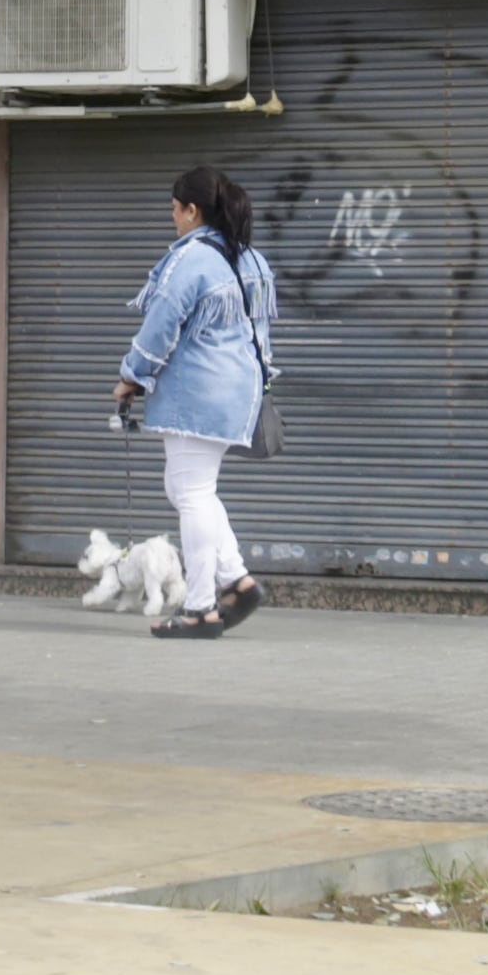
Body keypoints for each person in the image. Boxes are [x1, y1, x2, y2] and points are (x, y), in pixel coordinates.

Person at [114, 164, 276, 640]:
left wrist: (132, 375)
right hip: (236, 391)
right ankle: (238, 581)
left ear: (192, 210)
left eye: (174, 210)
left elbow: (162, 324)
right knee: (187, 490)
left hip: (196, 393)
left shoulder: (191, 261)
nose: (173, 219)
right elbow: (261, 333)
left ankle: (202, 608)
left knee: (192, 495)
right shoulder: (252, 260)